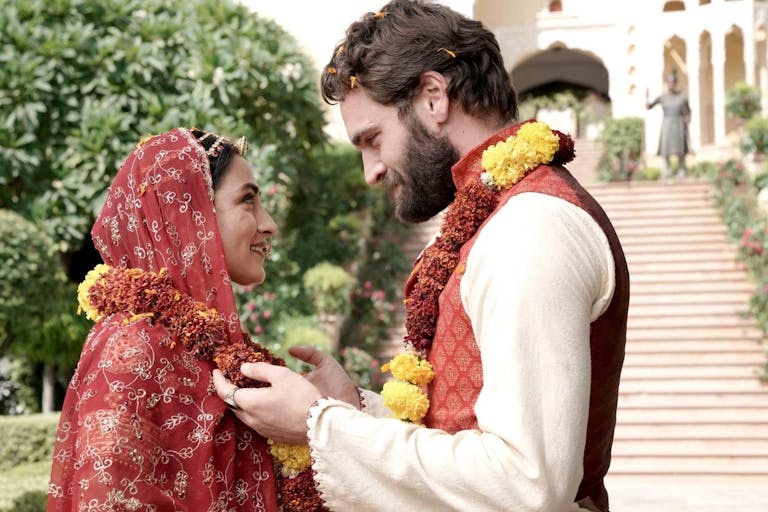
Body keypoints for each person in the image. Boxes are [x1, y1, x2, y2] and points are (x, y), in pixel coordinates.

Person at [213, 1, 629, 511]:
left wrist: (321, 427)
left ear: (434, 96)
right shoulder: (496, 216)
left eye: (373, 139)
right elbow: (462, 431)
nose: (370, 171)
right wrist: (351, 408)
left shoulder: (529, 228)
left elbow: (526, 484)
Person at [48, 128, 284, 511]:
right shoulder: (131, 346)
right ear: (187, 213)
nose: (269, 223)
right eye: (248, 200)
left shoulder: (210, 344)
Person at [647, 69, 691, 179]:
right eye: (669, 83)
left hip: (679, 124)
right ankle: (666, 171)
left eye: (673, 82)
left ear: (675, 83)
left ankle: (681, 170)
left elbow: (688, 112)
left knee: (680, 148)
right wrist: (647, 102)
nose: (671, 85)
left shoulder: (682, 97)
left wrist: (687, 119)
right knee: (665, 149)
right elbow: (650, 106)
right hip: (667, 123)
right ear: (666, 84)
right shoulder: (662, 97)